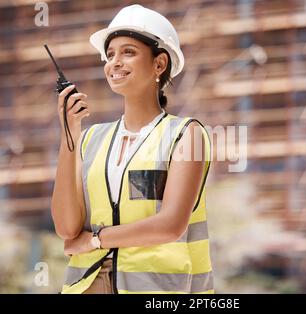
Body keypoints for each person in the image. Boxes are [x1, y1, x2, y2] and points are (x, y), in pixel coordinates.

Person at [50, 4, 213, 294]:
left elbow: (170, 225)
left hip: (156, 290)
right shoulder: (90, 138)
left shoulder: (186, 135)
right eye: (110, 54)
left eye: (128, 52)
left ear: (159, 65)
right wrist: (69, 134)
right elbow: (66, 230)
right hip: (87, 285)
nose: (114, 62)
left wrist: (97, 239)